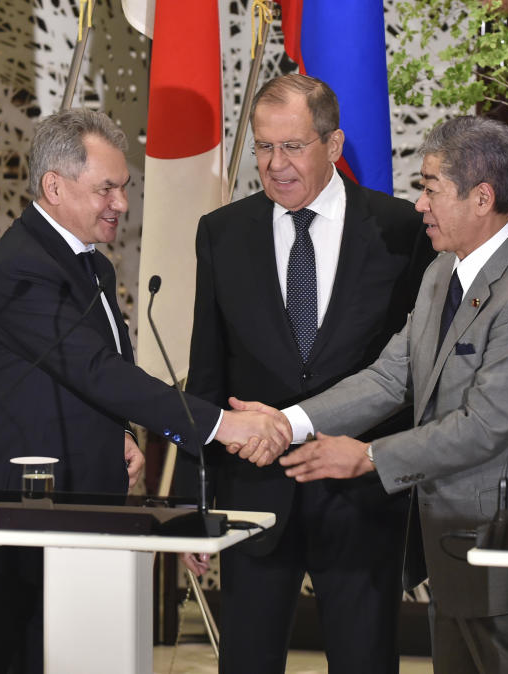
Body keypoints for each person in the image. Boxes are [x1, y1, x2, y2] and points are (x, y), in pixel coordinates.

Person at [0, 108, 289, 674]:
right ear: (54, 186)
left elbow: (73, 376)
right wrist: (221, 425)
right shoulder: (22, 268)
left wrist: (114, 434)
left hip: (67, 524)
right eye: (106, 188)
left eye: (125, 187)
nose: (121, 203)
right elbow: (94, 370)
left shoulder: (89, 266)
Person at [249, 114, 508, 673]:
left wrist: (371, 456)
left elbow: (485, 425)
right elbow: (389, 377)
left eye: (430, 187)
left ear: (481, 198)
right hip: (450, 544)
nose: (418, 203)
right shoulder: (440, 275)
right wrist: (289, 421)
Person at [175, 73, 434, 674]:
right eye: (264, 147)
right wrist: (196, 500)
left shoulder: (402, 231)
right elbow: (207, 371)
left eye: (292, 146)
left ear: (335, 146)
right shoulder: (222, 232)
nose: (274, 164)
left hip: (361, 497)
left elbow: (414, 374)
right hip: (252, 497)